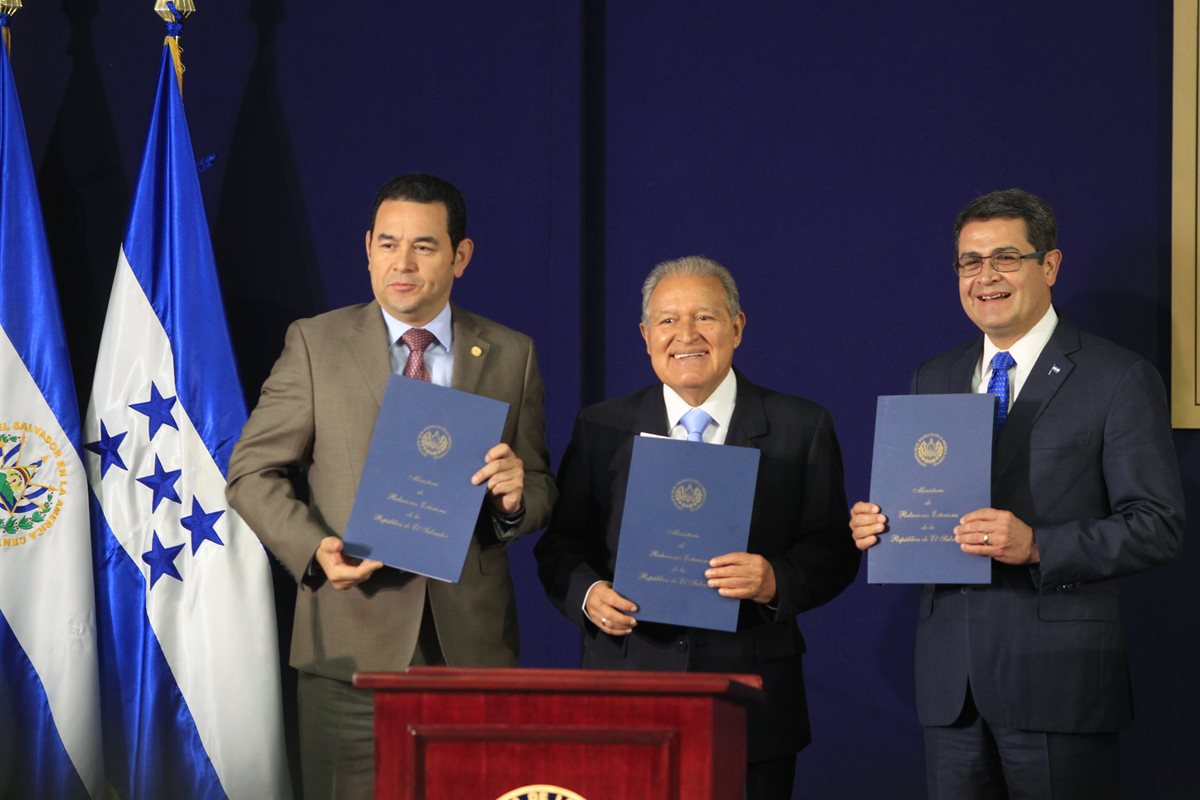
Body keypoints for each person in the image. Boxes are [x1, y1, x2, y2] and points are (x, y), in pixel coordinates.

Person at [226, 173, 556, 799]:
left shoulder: (512, 354)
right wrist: (314, 551)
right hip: (350, 645)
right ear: (368, 248)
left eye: (425, 246)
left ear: (461, 256)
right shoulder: (316, 343)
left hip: (473, 649)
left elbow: (538, 482)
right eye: (388, 243)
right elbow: (251, 471)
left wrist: (518, 498)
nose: (401, 263)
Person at [850, 188, 1185, 800]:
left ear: (1049, 266)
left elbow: (1158, 524)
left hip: (1059, 680)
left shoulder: (1119, 377)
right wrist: (881, 524)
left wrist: (1038, 546)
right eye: (970, 262)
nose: (986, 277)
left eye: (1005, 258)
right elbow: (930, 503)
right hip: (953, 689)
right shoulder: (935, 376)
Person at [534, 255, 860, 799]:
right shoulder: (602, 427)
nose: (686, 335)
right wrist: (589, 595)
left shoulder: (801, 426)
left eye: (705, 317)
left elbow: (834, 547)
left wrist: (774, 579)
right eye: (667, 320)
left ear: (737, 326)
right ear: (644, 335)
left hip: (752, 700)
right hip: (629, 690)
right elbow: (560, 544)